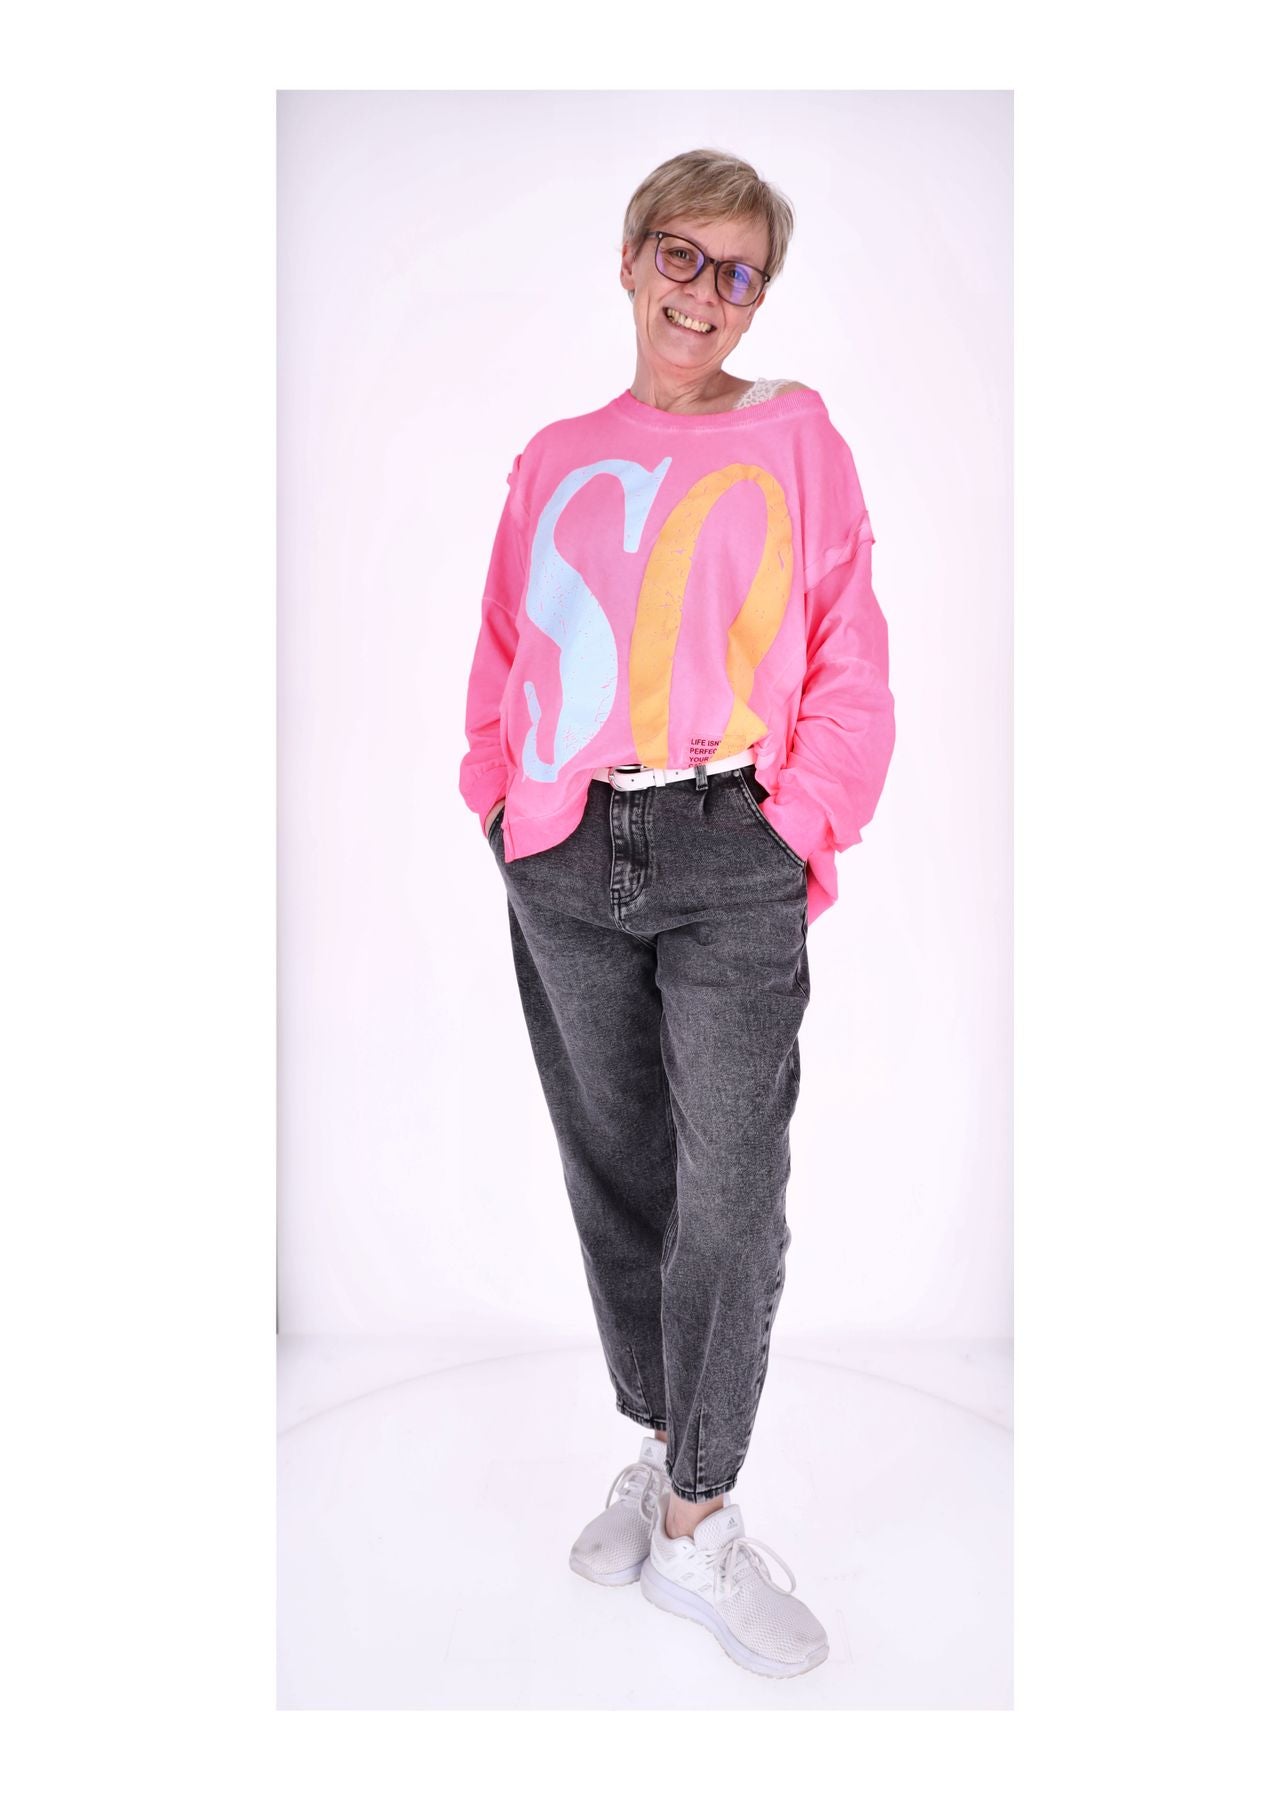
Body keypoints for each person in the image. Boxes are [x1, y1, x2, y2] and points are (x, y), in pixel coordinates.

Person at [458, 148, 896, 1680]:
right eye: (681, 256)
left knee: (730, 1186)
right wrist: (500, 800)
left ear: (757, 296)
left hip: (728, 845)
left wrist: (796, 822)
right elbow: (504, 639)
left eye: (738, 272)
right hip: (565, 849)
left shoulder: (797, 437)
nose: (704, 293)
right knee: (619, 1166)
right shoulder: (556, 453)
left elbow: (846, 647)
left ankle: (699, 1519)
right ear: (632, 258)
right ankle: (658, 1452)